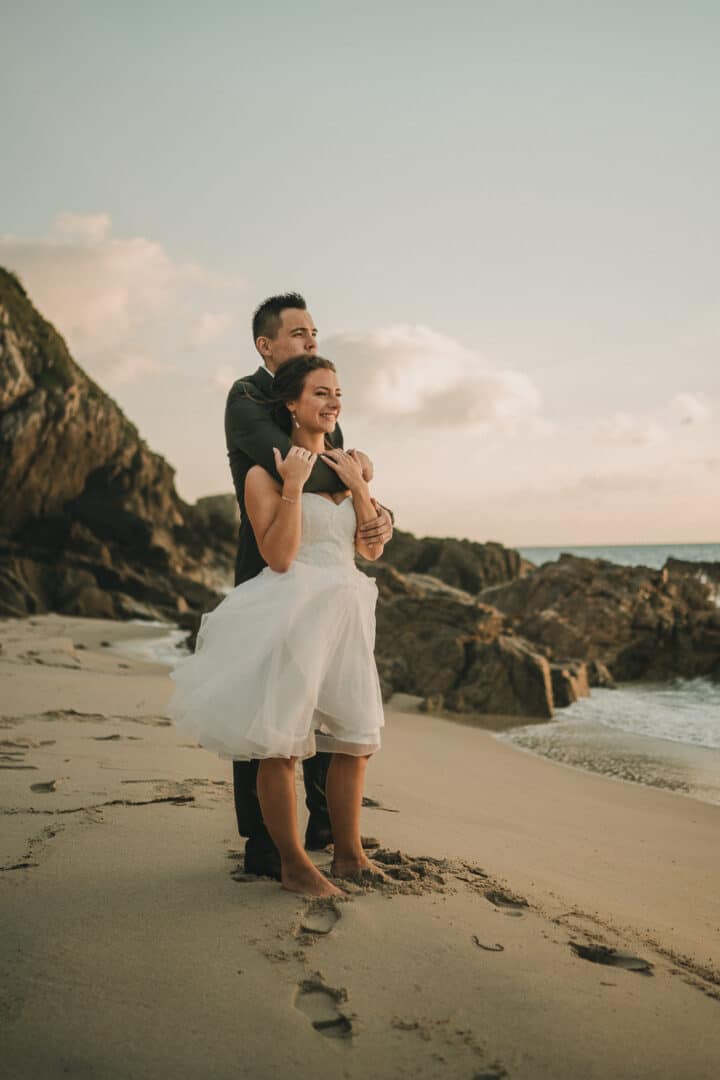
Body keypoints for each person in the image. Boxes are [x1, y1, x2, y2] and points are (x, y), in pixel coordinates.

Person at [168, 355, 386, 897]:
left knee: (355, 740)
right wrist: (293, 485)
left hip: (348, 609)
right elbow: (281, 556)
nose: (333, 402)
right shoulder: (263, 474)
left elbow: (371, 548)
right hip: (294, 612)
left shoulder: (347, 467)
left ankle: (350, 855)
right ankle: (291, 862)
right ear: (291, 404)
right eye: (320, 393)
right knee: (281, 744)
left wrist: (359, 487)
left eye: (337, 393)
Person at [224, 294, 393, 880]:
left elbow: (338, 484)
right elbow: (285, 462)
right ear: (266, 345)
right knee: (271, 725)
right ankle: (268, 848)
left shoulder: (325, 413)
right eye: (298, 333)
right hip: (273, 573)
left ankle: (332, 835)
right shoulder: (246, 397)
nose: (311, 340)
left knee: (339, 723)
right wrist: (354, 470)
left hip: (339, 593)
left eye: (315, 331)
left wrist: (373, 500)